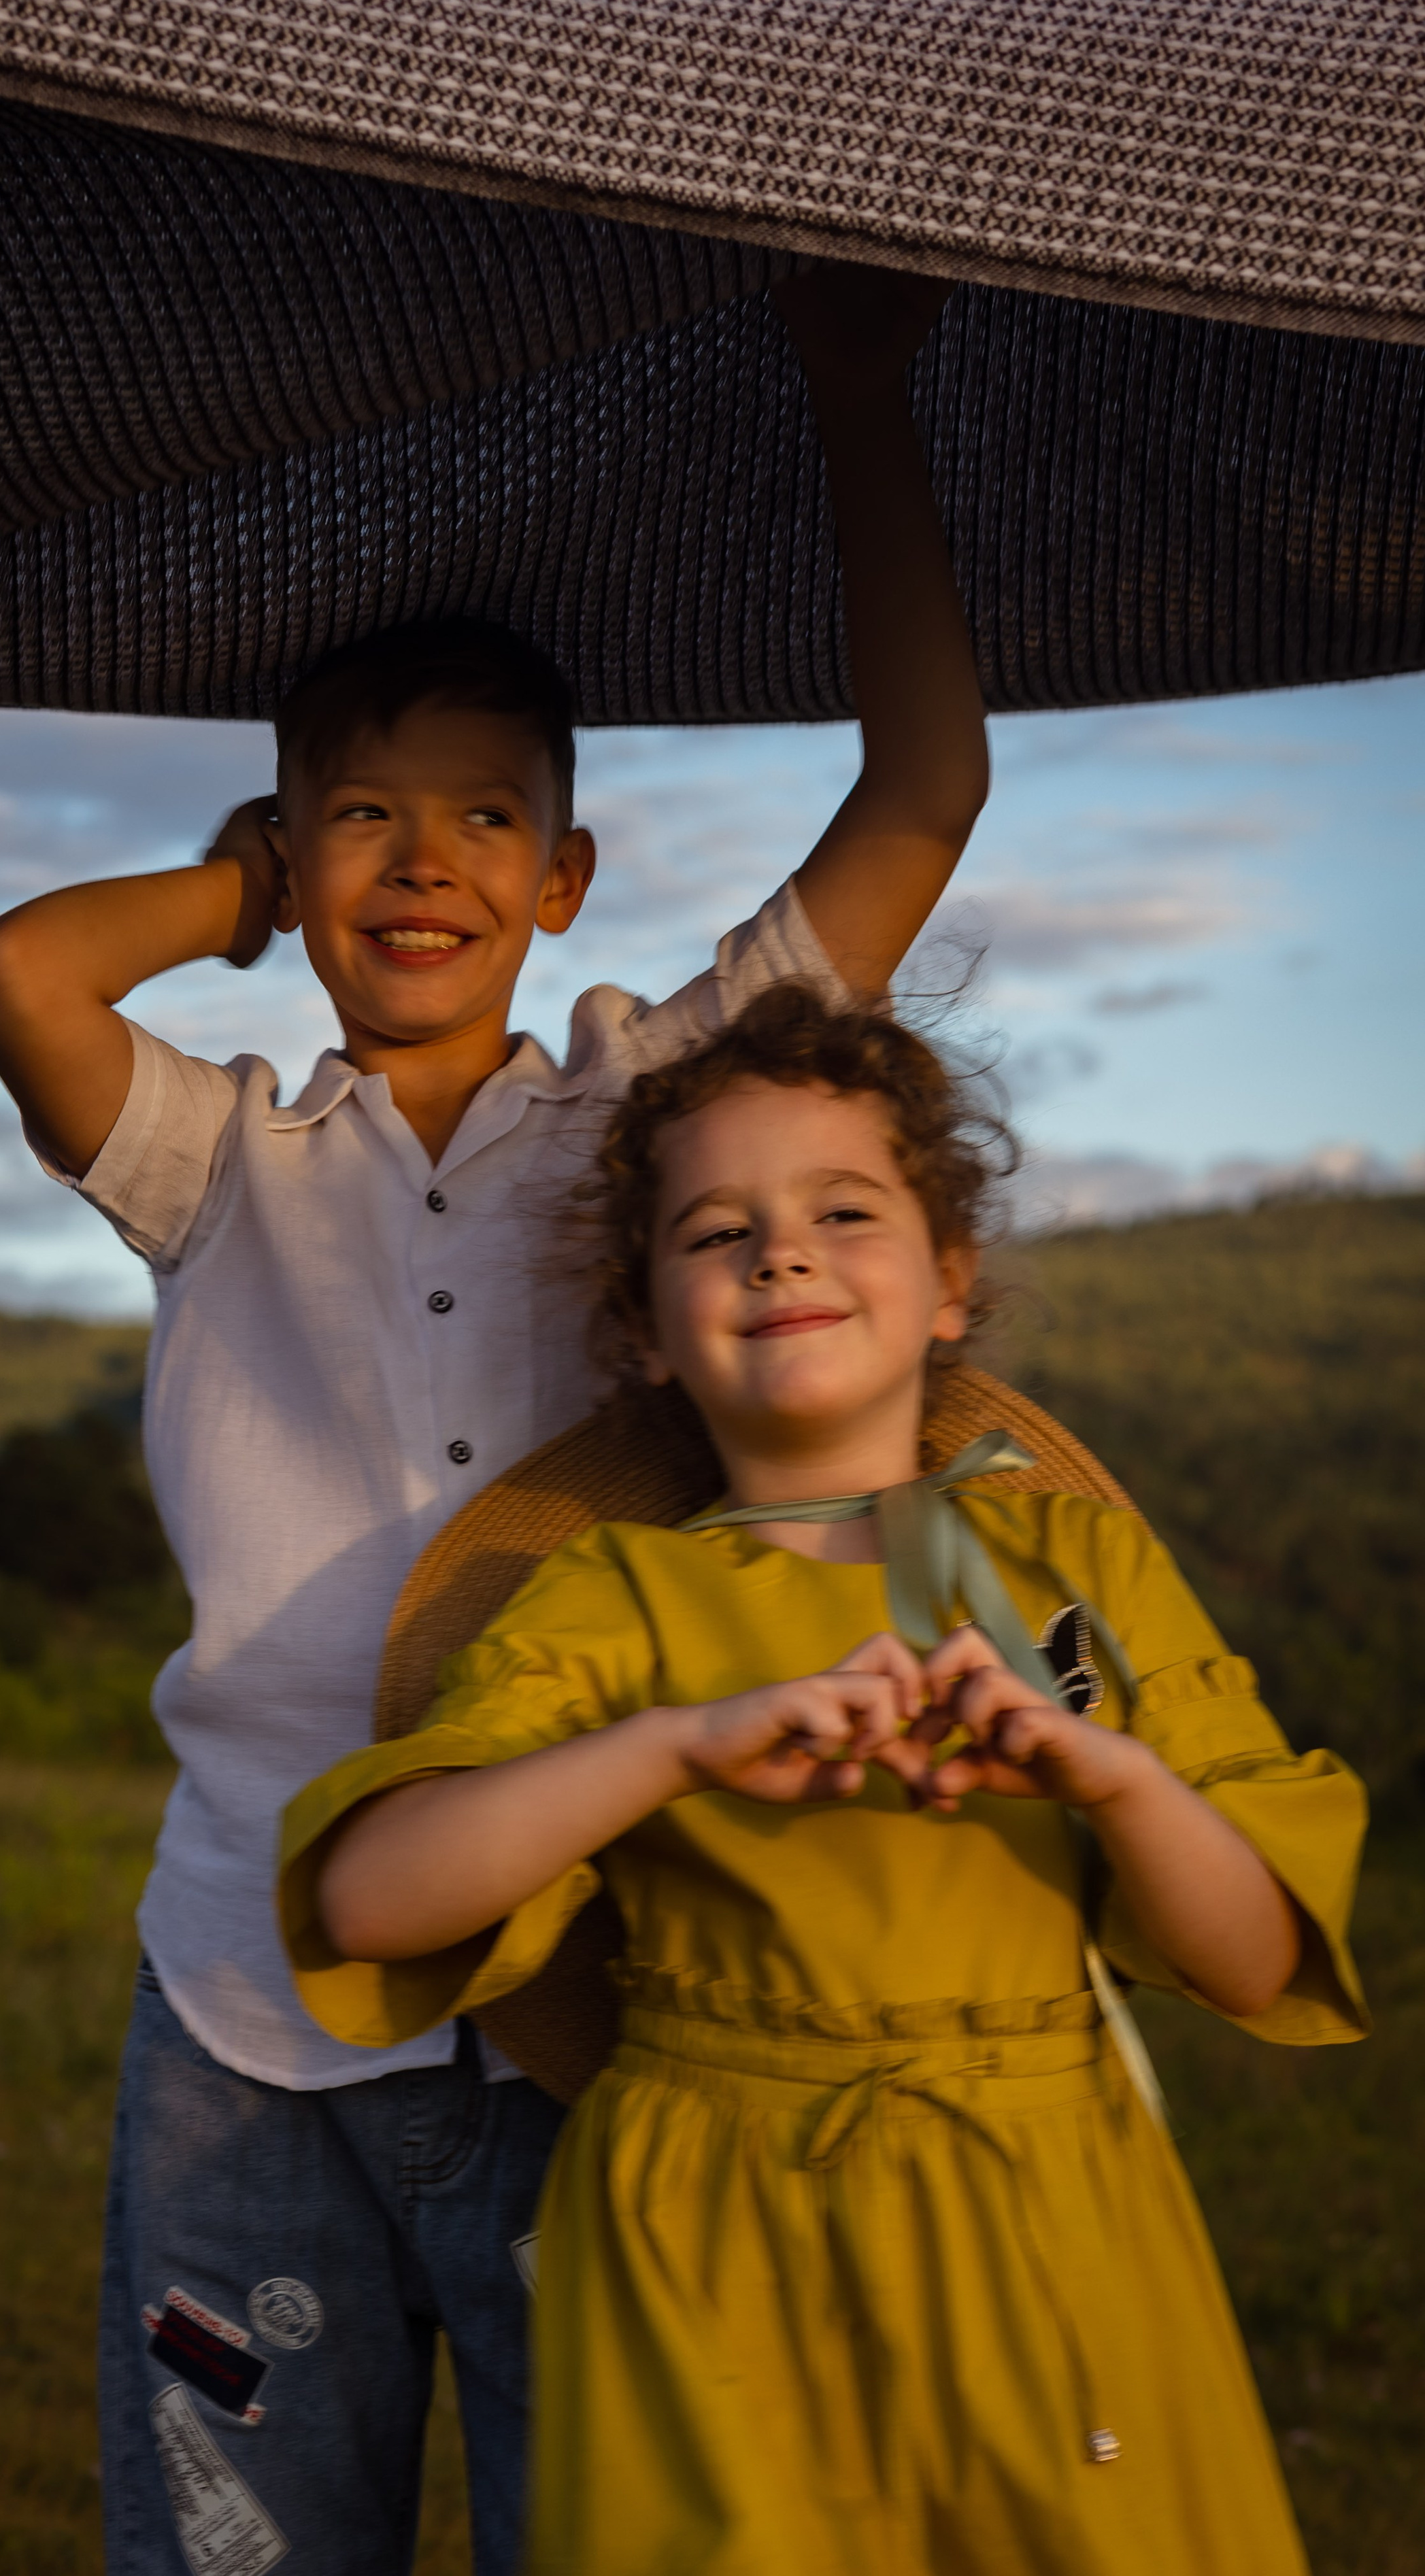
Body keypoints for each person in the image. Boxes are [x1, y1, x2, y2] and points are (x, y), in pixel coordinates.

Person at [0, 262, 989, 2576]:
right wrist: (246, 874)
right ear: (297, 865)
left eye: (480, 820)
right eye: (365, 824)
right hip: (241, 1998)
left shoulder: (661, 1105)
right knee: (237, 2545)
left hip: (588, 1980)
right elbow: (19, 973)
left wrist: (859, 404)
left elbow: (927, 789)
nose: (421, 864)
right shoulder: (219, 1157)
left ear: (562, 878)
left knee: (606, 2536)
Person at [282, 981, 1370, 2576]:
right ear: (645, 1332)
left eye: (840, 1210)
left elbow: (1253, 1952)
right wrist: (674, 1744)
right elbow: (379, 1898)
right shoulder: (617, 1601)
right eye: (715, 1231)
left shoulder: (1071, 1567)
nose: (776, 1252)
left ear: (947, 1283)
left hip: (1044, 2213)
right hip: (709, 2235)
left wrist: (1107, 1778)